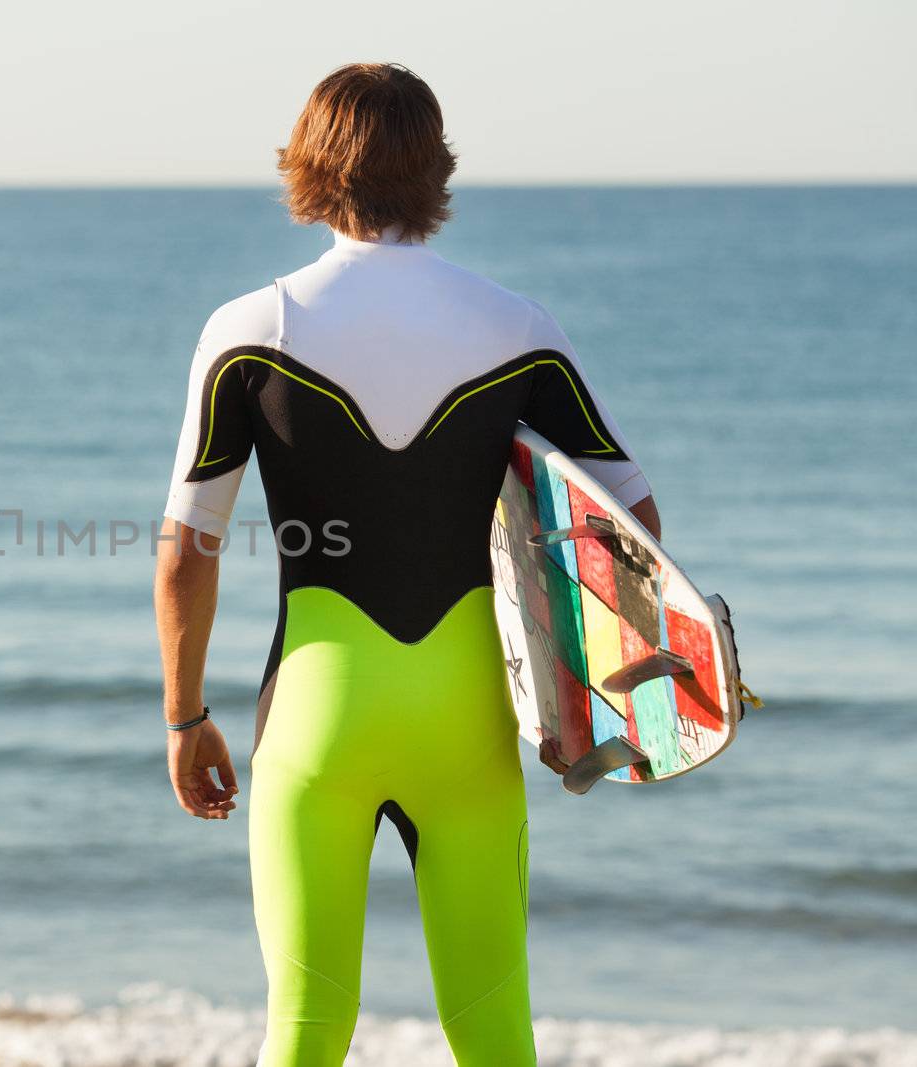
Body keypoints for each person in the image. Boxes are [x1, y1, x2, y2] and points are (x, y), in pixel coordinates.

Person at [152, 63, 660, 1067]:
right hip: (466, 711)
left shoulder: (248, 330)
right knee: (492, 1028)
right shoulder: (515, 326)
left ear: (306, 164)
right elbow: (629, 520)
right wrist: (595, 706)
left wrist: (184, 714)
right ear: (434, 168)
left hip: (317, 711)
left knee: (302, 1030)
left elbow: (186, 551)